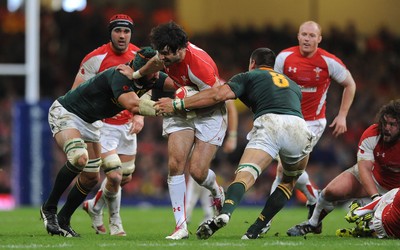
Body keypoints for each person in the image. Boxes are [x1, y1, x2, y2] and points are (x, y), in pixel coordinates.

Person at [155, 47, 314, 240]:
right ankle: (256, 228)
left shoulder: (248, 76)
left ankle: (225, 212)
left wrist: (177, 105)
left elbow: (217, 96)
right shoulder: (292, 84)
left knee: (245, 175)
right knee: (288, 183)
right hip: (299, 126)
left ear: (252, 63)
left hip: (271, 123)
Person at [39, 47, 173, 237]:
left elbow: (176, 83)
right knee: (79, 157)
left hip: (92, 122)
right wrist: (176, 107)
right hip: (68, 113)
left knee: (91, 178)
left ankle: (63, 219)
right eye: (153, 73)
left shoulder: (151, 76)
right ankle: (49, 208)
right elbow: (134, 105)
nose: (156, 77)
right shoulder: (119, 76)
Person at [264, 20, 356, 233]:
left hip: (312, 123)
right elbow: (273, 86)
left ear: (319, 39)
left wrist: (342, 115)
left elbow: (350, 84)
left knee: (282, 169)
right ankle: (314, 197)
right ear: (298, 36)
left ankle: (264, 222)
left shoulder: (328, 61)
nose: (307, 39)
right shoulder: (284, 58)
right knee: (289, 169)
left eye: (312, 35)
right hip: (287, 120)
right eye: (304, 34)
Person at [141, 21, 227, 240]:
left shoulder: (199, 64)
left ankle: (216, 190)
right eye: (161, 53)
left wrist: (177, 104)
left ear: (182, 49)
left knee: (198, 172)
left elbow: (216, 96)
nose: (163, 58)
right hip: (182, 110)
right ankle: (181, 227)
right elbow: (155, 62)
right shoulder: (164, 54)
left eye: (167, 54)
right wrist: (137, 74)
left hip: (209, 112)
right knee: (175, 164)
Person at [68, 14, 141, 237]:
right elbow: (75, 92)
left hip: (127, 125)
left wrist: (140, 115)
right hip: (102, 126)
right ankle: (116, 222)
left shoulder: (138, 56)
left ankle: (94, 206)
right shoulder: (95, 58)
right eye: (118, 31)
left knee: (125, 177)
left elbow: (145, 87)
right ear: (110, 33)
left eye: (126, 31)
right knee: (115, 176)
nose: (122, 35)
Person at [286, 99, 400, 237]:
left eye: (392, 124)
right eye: (385, 123)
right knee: (331, 191)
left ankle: (369, 228)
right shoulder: (372, 134)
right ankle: (313, 223)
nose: (387, 128)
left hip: (396, 190)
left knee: (389, 230)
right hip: (373, 177)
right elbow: (364, 168)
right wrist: (375, 197)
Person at [186, 100, 238, 225]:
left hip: (210, 131)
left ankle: (187, 212)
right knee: (200, 172)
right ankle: (207, 213)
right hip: (199, 128)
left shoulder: (218, 84)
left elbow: (231, 109)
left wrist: (232, 136)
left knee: (197, 170)